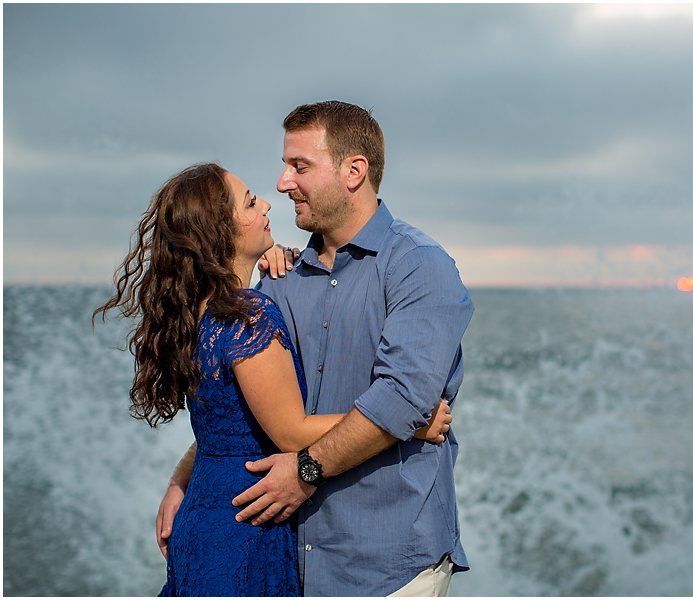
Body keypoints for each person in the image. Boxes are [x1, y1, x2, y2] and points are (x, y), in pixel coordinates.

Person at [157, 101, 475, 596]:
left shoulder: (418, 265)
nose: (283, 183)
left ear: (353, 171)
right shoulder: (278, 283)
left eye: (299, 166)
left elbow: (404, 398)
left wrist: (305, 470)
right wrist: (184, 477)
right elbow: (246, 412)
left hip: (388, 564)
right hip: (292, 560)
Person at [95, 163, 451, 596]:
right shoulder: (249, 316)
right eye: (249, 202)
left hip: (207, 513)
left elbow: (230, 423)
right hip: (246, 526)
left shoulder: (198, 315)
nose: (267, 200)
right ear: (219, 232)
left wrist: (178, 483)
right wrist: (408, 425)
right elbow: (289, 432)